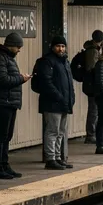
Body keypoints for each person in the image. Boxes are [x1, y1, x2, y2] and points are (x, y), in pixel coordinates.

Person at [0, 33, 31, 179]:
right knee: (1, 135)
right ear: (10, 45)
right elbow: (3, 80)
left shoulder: (8, 58)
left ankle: (5, 165)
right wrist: (21, 78)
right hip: (2, 102)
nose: (19, 50)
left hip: (9, 102)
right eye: (18, 47)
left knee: (7, 135)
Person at [34, 36, 75, 170]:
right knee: (52, 131)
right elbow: (46, 82)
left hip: (63, 102)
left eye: (63, 46)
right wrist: (58, 96)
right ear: (52, 47)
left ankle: (58, 157)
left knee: (61, 131)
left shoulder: (65, 62)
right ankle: (50, 159)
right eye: (58, 46)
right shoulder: (47, 62)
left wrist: (70, 98)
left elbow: (69, 83)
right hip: (52, 103)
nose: (61, 49)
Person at [78, 30, 103, 144]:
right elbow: (93, 69)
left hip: (91, 84)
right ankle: (91, 134)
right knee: (94, 110)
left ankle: (92, 133)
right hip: (93, 85)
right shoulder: (93, 51)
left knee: (94, 109)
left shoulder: (91, 49)